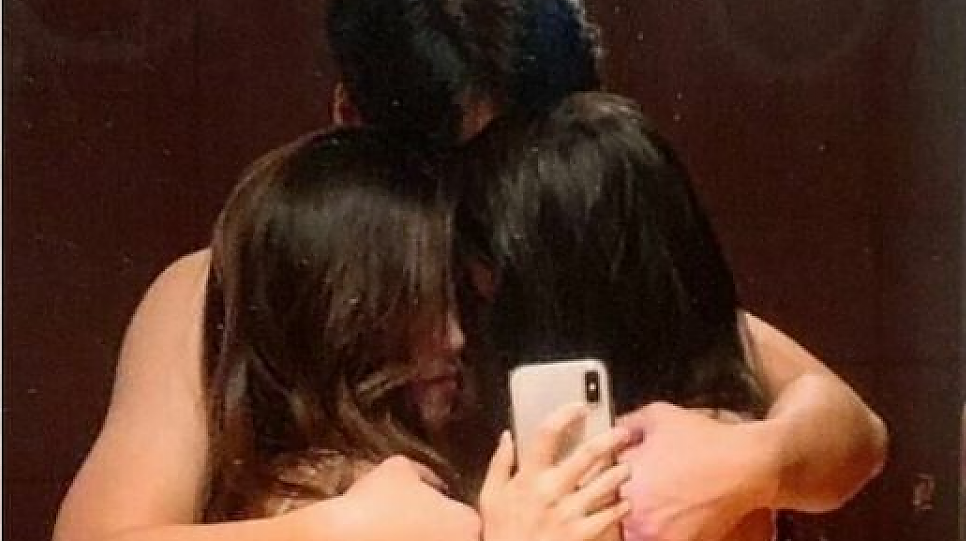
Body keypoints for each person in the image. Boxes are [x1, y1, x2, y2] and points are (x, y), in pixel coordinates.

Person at [55, 0, 886, 541]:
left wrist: (756, 460)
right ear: (349, 115)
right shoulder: (244, 277)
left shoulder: (557, 256)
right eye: (450, 164)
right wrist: (333, 532)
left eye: (515, 159)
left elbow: (851, 429)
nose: (478, 203)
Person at [152, 125, 636, 541]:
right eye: (416, 307)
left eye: (454, 301)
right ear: (347, 318)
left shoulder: (308, 485)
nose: (456, 339)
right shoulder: (340, 502)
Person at [456, 92, 878, 541]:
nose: (456, 330)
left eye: (483, 278)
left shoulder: (690, 436)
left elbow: (863, 435)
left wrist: (750, 459)